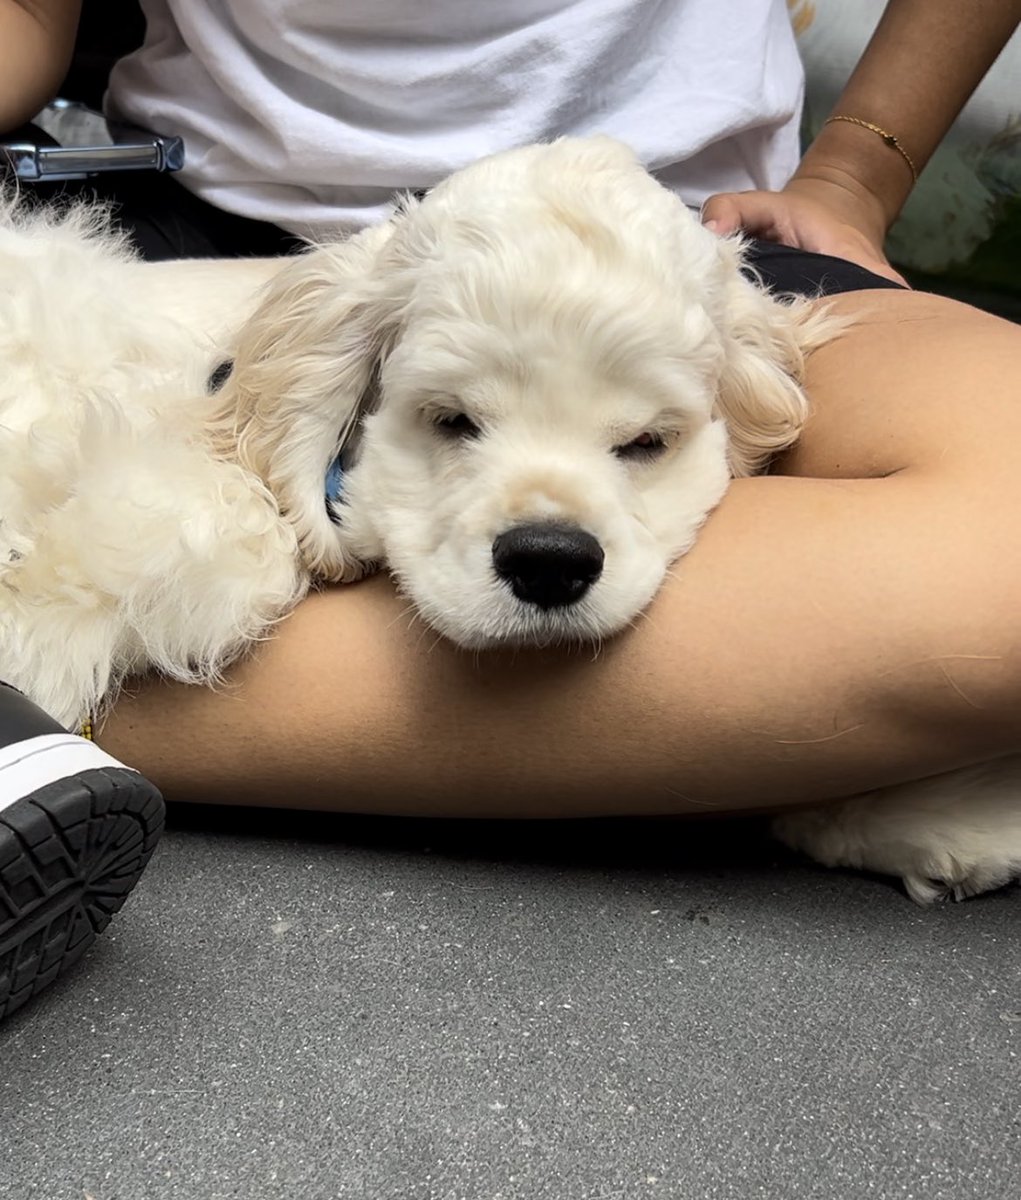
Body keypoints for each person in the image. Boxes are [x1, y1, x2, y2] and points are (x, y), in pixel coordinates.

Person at [1, 0, 1020, 1013]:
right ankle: (739, 747)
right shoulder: (316, 358)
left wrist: (856, 165)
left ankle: (50, 701)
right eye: (456, 424)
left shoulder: (731, 343)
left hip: (699, 233)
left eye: (640, 443)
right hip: (196, 200)